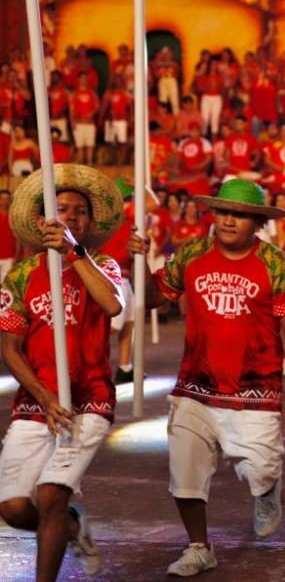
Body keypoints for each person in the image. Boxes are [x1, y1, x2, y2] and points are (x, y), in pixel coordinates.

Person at [127, 179, 285, 577]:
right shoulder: (191, 253)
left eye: (240, 214)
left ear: (258, 222)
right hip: (195, 385)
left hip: (255, 390)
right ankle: (199, 547)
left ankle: (266, 490)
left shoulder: (278, 265)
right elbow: (156, 298)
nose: (228, 220)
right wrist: (139, 262)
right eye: (223, 212)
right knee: (185, 476)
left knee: (260, 469)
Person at [0, 164, 126, 580]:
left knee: (49, 495)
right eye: (61, 209)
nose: (69, 217)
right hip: (36, 402)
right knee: (15, 509)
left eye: (78, 211)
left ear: (89, 222)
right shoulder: (20, 275)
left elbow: (111, 305)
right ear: (41, 221)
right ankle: (74, 527)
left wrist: (75, 253)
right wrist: (43, 395)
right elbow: (10, 348)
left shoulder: (102, 263)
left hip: (88, 399)